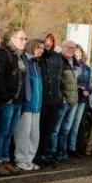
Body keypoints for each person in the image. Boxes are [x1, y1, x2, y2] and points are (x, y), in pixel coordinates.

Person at [0, 28, 29, 176]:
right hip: (7, 100)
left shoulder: (22, 55)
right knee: (2, 131)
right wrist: (6, 96)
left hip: (18, 100)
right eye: (21, 38)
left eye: (25, 39)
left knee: (9, 132)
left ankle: (6, 159)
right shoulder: (4, 53)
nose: (24, 41)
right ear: (12, 38)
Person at [14, 39, 44, 171]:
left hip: (37, 106)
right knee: (23, 134)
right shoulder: (26, 62)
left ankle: (29, 159)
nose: (41, 50)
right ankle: (20, 159)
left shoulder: (37, 64)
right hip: (26, 105)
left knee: (34, 135)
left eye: (42, 48)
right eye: (38, 47)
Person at [47, 40, 79, 162]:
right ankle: (52, 153)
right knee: (55, 129)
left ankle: (62, 152)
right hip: (63, 102)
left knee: (65, 129)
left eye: (73, 48)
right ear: (63, 47)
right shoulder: (59, 60)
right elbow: (57, 82)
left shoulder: (72, 62)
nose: (71, 50)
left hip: (73, 101)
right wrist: (62, 98)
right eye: (68, 47)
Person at [36, 33, 64, 167]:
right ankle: (35, 154)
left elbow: (59, 78)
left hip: (54, 100)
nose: (48, 43)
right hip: (41, 100)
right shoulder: (39, 56)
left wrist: (59, 96)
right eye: (46, 40)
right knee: (38, 128)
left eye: (51, 41)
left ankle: (44, 154)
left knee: (49, 129)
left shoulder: (57, 57)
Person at [68, 45, 91, 158]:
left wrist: (88, 91)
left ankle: (73, 148)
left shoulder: (87, 68)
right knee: (69, 124)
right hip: (74, 99)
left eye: (79, 52)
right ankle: (66, 148)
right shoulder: (71, 66)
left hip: (83, 100)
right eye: (76, 52)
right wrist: (80, 88)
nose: (78, 54)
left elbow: (90, 84)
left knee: (77, 125)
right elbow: (71, 82)